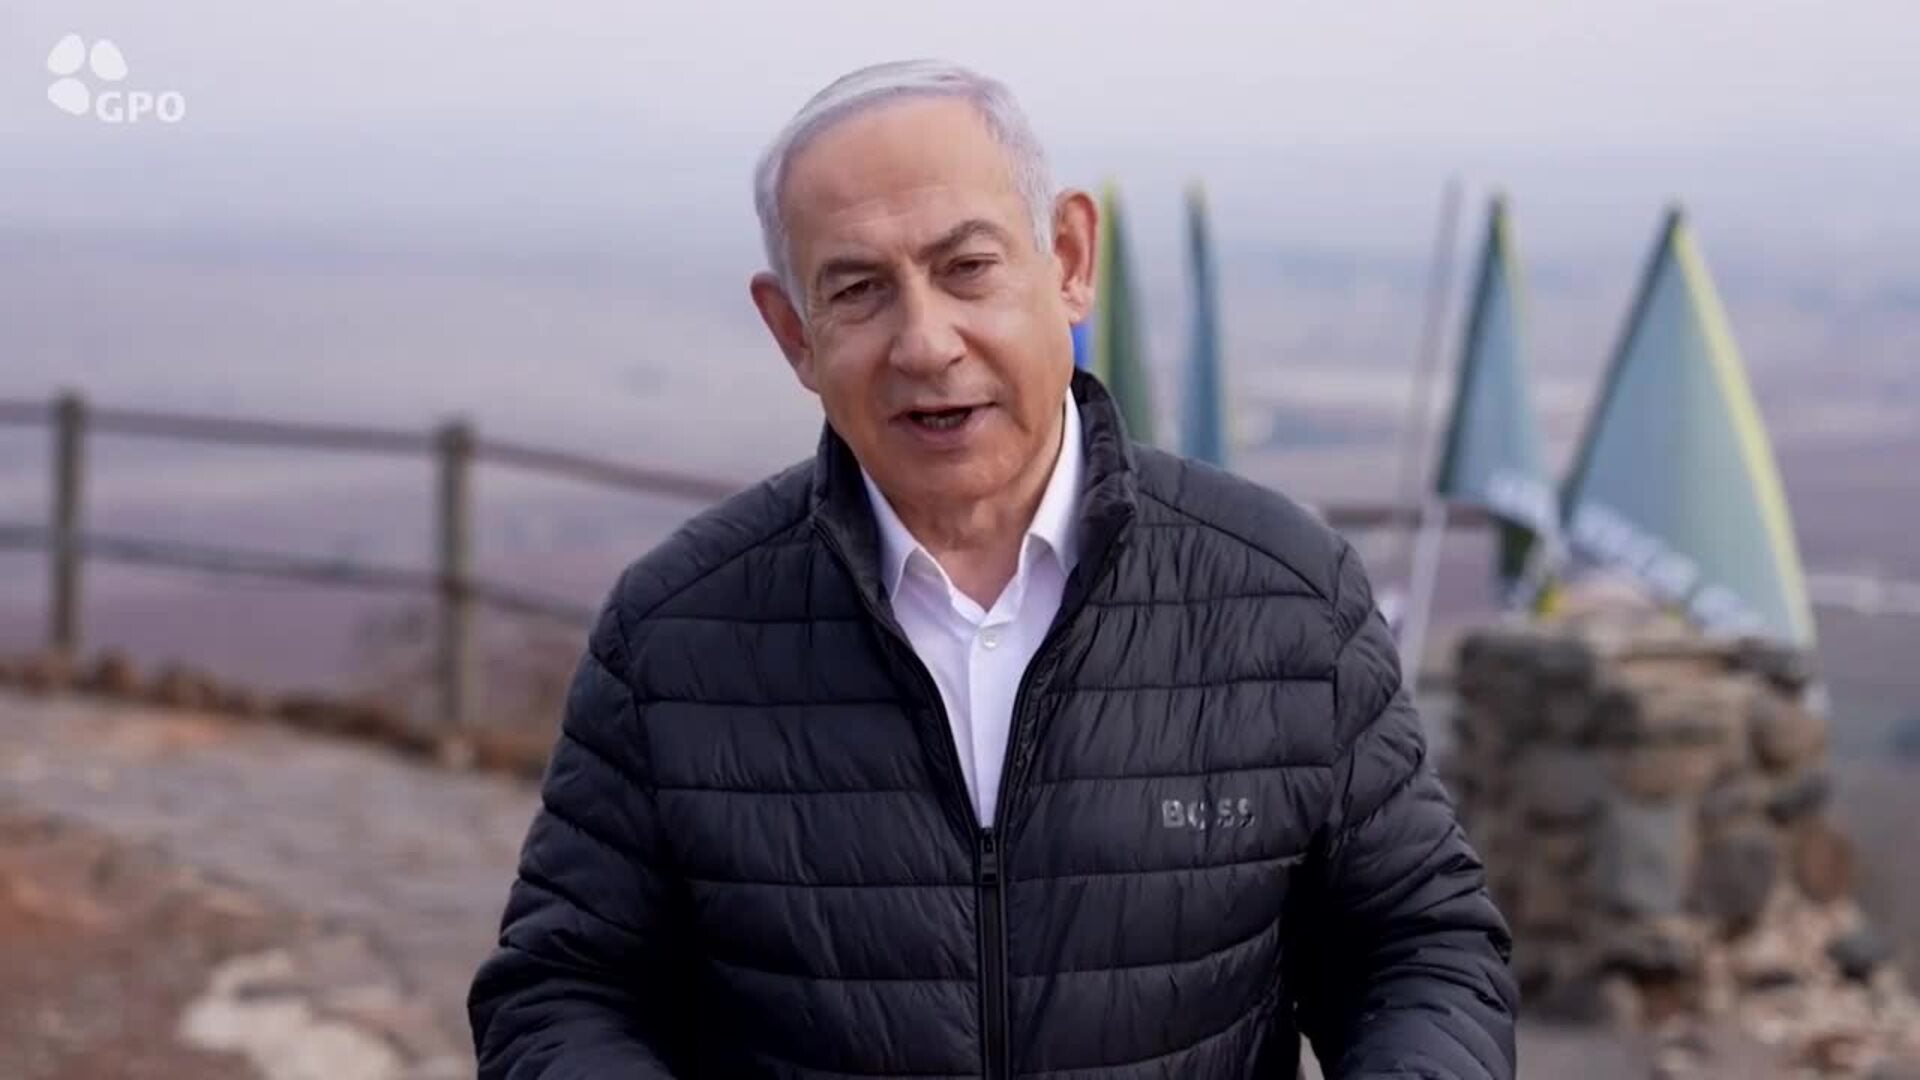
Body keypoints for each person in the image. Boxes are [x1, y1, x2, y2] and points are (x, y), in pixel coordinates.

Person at [468, 59, 1518, 1079]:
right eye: (859, 290)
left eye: (966, 267)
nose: (926, 343)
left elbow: (1420, 948)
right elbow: (563, 991)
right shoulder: (675, 632)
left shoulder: (1285, 595)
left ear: (1069, 259)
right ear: (794, 334)